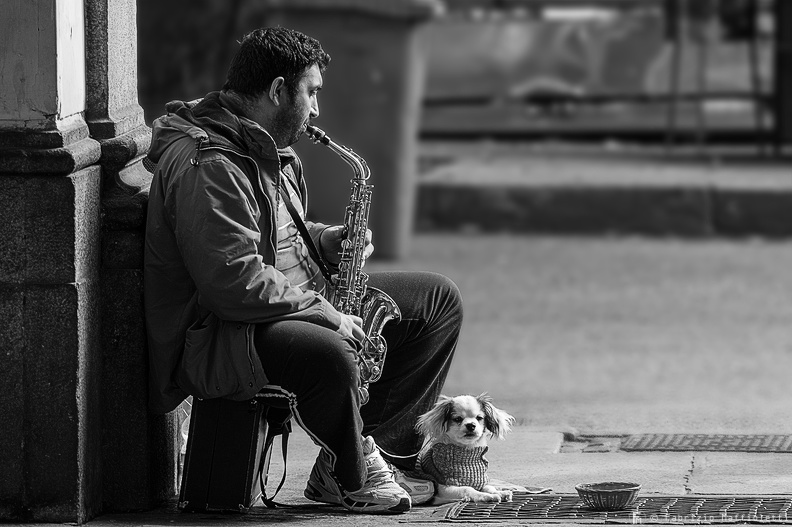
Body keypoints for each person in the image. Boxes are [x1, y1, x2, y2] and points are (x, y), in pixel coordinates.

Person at [143, 27, 462, 515]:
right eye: (311, 92)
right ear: (276, 90)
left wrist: (327, 240)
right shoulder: (210, 164)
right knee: (333, 350)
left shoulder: (263, 146)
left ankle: (369, 450)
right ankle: (353, 476)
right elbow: (234, 282)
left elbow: (275, 233)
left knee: (437, 300)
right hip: (223, 331)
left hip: (285, 299)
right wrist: (329, 314)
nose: (316, 109)